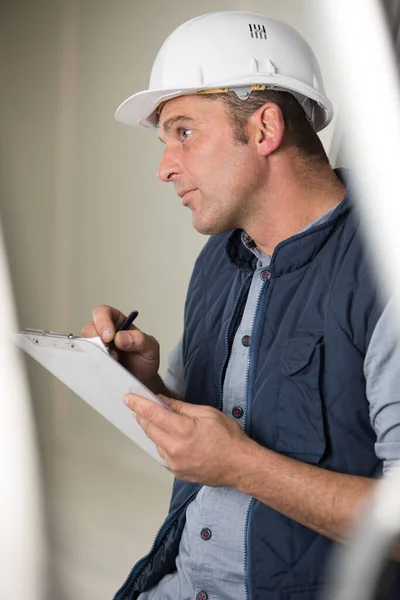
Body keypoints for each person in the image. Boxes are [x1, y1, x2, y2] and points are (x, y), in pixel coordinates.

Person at [82, 11, 400, 600]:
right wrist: (148, 385)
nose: (164, 168)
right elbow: (208, 442)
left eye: (183, 132)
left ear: (263, 130)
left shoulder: (384, 269)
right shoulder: (221, 260)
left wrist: (243, 466)